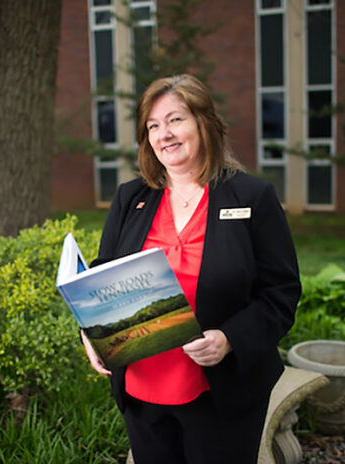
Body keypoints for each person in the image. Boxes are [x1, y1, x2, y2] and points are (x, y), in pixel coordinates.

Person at [81, 74, 301, 464]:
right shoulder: (130, 198)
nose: (164, 133)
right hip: (142, 390)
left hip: (221, 392)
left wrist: (229, 338)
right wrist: (90, 333)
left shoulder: (252, 197)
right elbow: (102, 278)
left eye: (175, 119)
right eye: (153, 125)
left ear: (204, 123)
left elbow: (281, 293)